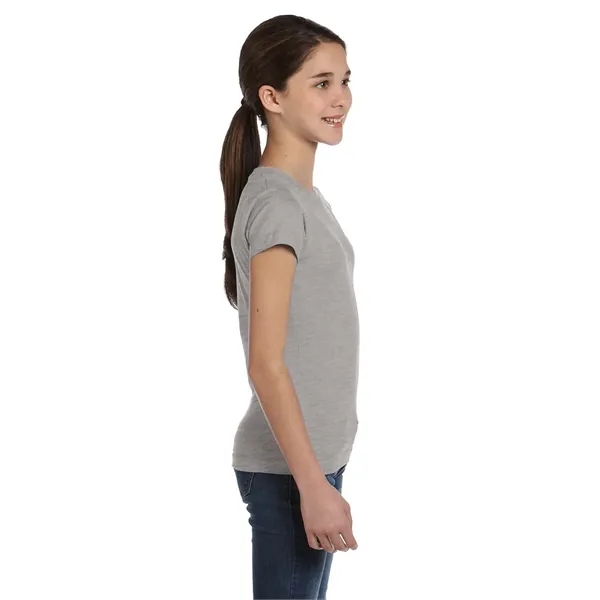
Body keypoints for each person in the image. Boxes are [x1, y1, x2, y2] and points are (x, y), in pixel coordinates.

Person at [220, 14, 360, 599]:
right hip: (289, 473)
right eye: (321, 83)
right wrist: (312, 485)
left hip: (308, 465)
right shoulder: (278, 203)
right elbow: (266, 363)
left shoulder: (302, 198)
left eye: (345, 80)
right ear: (271, 97)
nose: (341, 98)